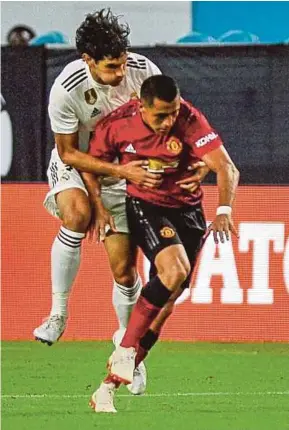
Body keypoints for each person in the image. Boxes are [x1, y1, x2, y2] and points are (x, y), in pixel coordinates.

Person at [33, 9, 209, 395]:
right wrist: (108, 191)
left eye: (122, 63)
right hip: (79, 166)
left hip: (121, 173)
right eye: (111, 67)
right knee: (77, 216)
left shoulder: (144, 71)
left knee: (125, 272)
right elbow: (67, 153)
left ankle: (127, 352)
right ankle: (58, 313)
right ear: (87, 60)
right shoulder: (67, 88)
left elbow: (173, 122)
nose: (119, 74)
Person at [87, 75, 239, 412]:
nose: (169, 121)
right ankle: (126, 350)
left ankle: (106, 389)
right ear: (141, 106)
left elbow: (226, 167)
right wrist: (100, 205)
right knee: (174, 270)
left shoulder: (189, 118)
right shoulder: (118, 124)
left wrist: (224, 209)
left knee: (167, 303)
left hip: (188, 211)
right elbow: (91, 165)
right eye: (161, 115)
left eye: (172, 113)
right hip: (146, 205)